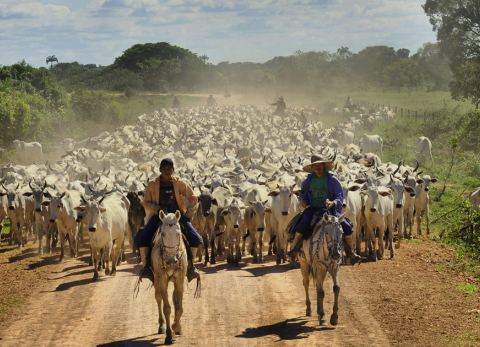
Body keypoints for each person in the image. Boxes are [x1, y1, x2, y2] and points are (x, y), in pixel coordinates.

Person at [135, 158, 202, 282]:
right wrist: (157, 208)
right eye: (164, 168)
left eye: (169, 169)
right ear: (160, 170)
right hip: (159, 216)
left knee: (195, 237)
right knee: (143, 237)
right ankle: (146, 268)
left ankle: (191, 267)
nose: (167, 171)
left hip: (177, 217)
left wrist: (186, 212)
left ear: (173, 170)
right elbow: (146, 202)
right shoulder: (152, 184)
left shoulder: (179, 183)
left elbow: (193, 198)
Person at [288, 154, 362, 265]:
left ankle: (351, 253)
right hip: (313, 209)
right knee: (300, 225)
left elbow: (339, 195)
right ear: (312, 168)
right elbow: (302, 193)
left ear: (324, 166)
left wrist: (333, 202)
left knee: (346, 227)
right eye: (315, 166)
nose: (318, 168)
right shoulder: (308, 180)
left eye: (320, 165)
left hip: (329, 210)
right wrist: (303, 201)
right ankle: (293, 250)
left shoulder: (332, 180)